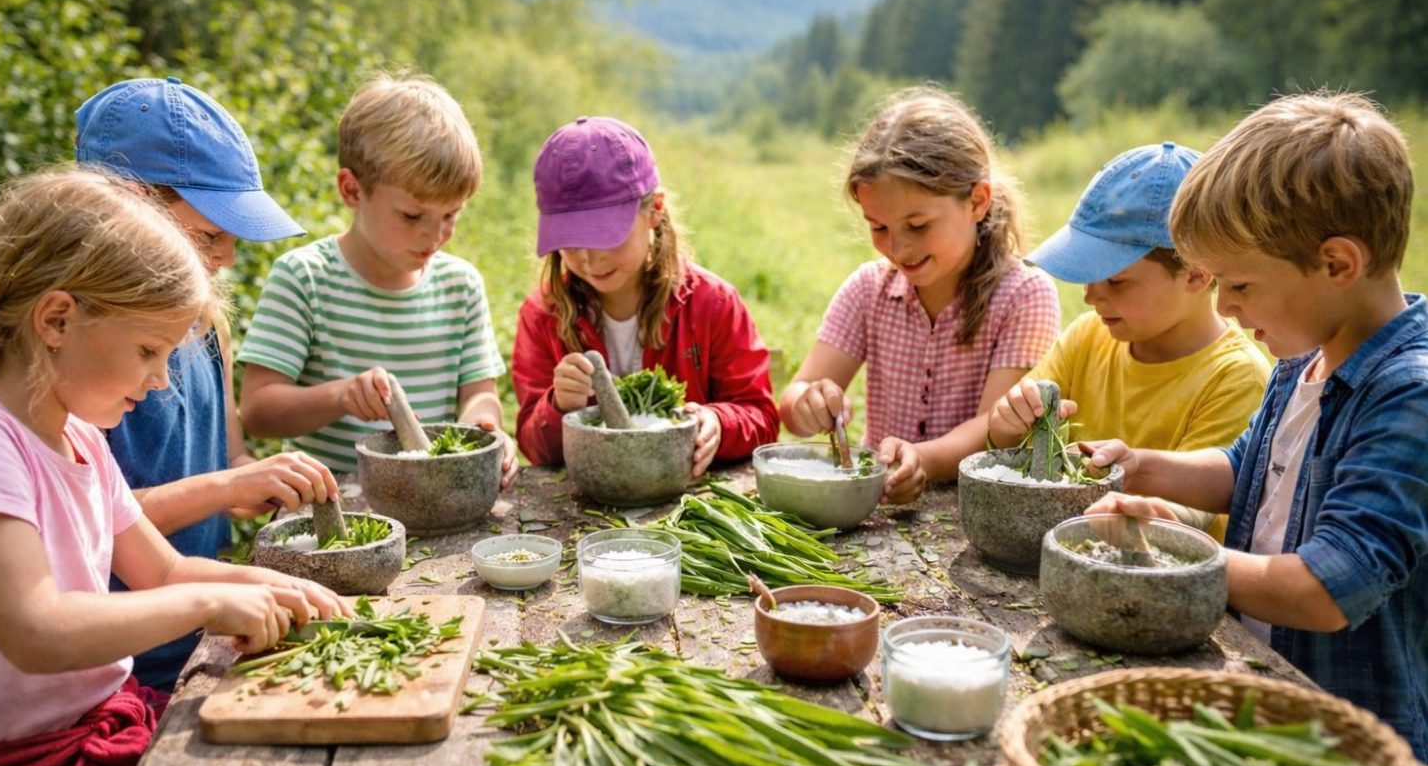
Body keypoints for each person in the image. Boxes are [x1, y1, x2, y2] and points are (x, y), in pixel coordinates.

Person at [0, 167, 345, 766]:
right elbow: (36, 627)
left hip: (92, 740)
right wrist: (209, 607)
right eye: (149, 351)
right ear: (56, 320)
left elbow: (163, 570)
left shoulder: (80, 437)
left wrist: (280, 583)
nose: (159, 382)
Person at [1082, 93, 1428, 760]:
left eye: (1238, 285)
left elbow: (1328, 588)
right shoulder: (1304, 351)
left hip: (1344, 744)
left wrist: (1174, 551)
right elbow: (1250, 471)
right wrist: (1140, 466)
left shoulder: (1407, 395)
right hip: (1264, 700)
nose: (1225, 308)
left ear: (1336, 265)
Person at [76, 76, 340, 692]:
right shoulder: (79, 362)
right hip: (118, 668)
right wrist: (224, 487)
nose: (225, 258)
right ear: (123, 214)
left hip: (210, 638)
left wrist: (255, 484)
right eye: (207, 236)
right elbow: (90, 522)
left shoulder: (208, 330)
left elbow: (230, 459)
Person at [922, 144, 1270, 528]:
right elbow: (1014, 443)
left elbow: (1185, 516)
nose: (1090, 296)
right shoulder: (1087, 338)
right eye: (1089, 278)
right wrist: (1006, 426)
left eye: (1116, 281)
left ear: (1196, 274)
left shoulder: (1234, 378)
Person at [778, 87, 1060, 500]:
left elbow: (996, 425)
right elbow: (794, 399)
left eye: (919, 225)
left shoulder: (1024, 296)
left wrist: (923, 460)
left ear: (977, 201)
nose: (898, 248)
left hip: (976, 509)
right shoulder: (868, 290)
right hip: (886, 508)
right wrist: (808, 403)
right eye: (879, 228)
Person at [237, 73, 516, 485]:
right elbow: (258, 411)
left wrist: (484, 429)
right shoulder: (305, 279)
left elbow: (478, 394)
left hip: (436, 501)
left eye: (450, 215)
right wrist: (341, 395)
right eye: (412, 216)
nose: (435, 236)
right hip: (337, 518)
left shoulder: (461, 286)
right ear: (352, 191)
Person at [512, 116, 779, 475]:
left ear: (654, 209)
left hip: (685, 502)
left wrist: (718, 421)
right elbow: (534, 446)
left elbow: (760, 415)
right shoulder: (543, 315)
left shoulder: (712, 304)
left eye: (606, 237)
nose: (590, 260)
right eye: (571, 244)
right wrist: (557, 405)